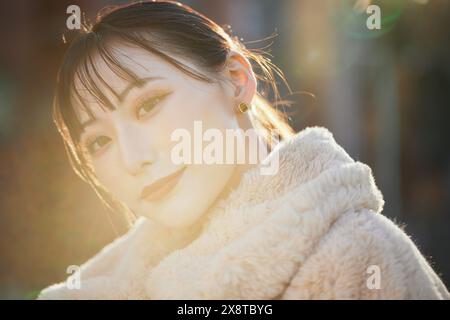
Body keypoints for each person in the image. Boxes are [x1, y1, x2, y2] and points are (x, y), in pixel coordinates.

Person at [38, 0, 449, 299]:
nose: (132, 158)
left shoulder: (360, 258)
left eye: (148, 104)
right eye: (99, 141)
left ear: (236, 79)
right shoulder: (92, 289)